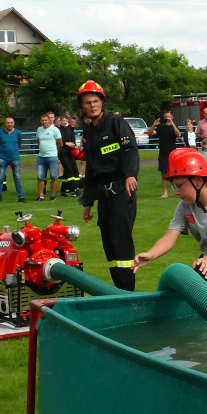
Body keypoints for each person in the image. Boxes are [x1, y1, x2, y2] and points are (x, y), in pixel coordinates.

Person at [133, 149, 207, 285]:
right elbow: (169, 238)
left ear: (197, 180)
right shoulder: (184, 206)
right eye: (173, 187)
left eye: (179, 186)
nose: (176, 192)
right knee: (186, 293)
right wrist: (151, 255)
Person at [77, 79, 140, 291]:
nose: (92, 105)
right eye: (87, 102)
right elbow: (92, 169)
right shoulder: (90, 132)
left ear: (102, 102)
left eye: (95, 101)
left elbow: (130, 149)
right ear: (82, 107)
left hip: (122, 189)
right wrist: (88, 201)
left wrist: (131, 174)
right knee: (109, 243)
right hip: (103, 195)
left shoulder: (115, 122)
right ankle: (118, 290)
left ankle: (128, 292)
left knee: (121, 241)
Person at [0, 117, 26, 204]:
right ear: (5, 124)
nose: (9, 124)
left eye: (11, 122)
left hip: (15, 158)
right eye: (8, 123)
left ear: (14, 123)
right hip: (2, 158)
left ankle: (21, 197)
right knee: (0, 178)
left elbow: (19, 144)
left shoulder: (18, 133)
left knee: (17, 178)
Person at [151, 110, 182, 198]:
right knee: (164, 174)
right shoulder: (160, 128)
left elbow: (178, 134)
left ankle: (178, 190)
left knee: (175, 173)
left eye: (168, 117)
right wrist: (154, 124)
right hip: (163, 153)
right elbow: (150, 133)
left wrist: (172, 124)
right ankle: (165, 193)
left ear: (172, 117)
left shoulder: (174, 127)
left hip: (172, 153)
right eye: (165, 117)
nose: (167, 118)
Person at [35, 112, 62, 201]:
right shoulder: (39, 129)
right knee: (40, 177)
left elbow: (60, 143)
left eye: (45, 120)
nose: (44, 122)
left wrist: (55, 151)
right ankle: (41, 195)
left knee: (54, 177)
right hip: (41, 156)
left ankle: (52, 195)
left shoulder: (54, 130)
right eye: (42, 120)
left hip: (52, 156)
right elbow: (39, 140)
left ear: (49, 120)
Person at [57, 113, 81, 197]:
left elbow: (73, 140)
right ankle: (73, 190)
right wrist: (66, 143)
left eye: (66, 121)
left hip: (70, 153)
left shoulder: (69, 130)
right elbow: (58, 142)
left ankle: (64, 190)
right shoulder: (58, 130)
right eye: (63, 120)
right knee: (70, 171)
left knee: (73, 171)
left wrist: (75, 146)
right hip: (63, 153)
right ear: (60, 121)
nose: (65, 122)